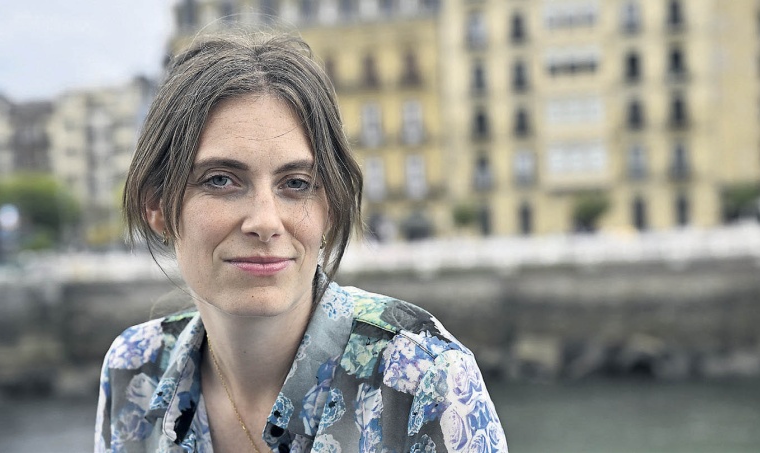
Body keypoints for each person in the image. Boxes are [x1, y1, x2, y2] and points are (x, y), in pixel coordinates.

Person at [95, 30, 507, 453]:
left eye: (296, 183)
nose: (265, 221)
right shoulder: (134, 369)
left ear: (331, 206)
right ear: (157, 206)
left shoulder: (424, 377)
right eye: (220, 180)